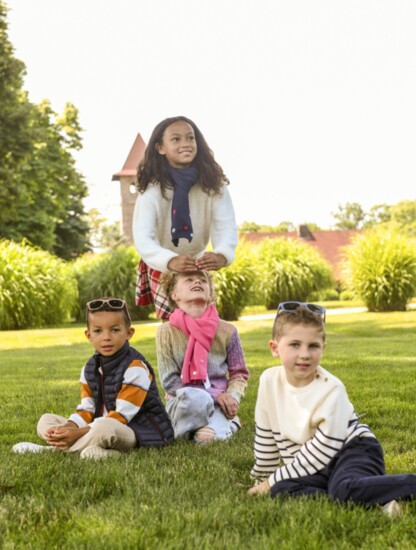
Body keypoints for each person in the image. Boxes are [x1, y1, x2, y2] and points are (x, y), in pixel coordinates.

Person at [248, 301, 416, 517]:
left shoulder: (332, 389)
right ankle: (373, 496)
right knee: (281, 489)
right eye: (295, 345)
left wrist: (271, 481)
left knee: (342, 488)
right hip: (316, 466)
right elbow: (266, 435)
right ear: (274, 348)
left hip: (353, 450)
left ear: (322, 348)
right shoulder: (268, 381)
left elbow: (323, 450)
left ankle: (402, 485)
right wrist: (262, 478)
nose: (305, 354)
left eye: (313, 346)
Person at [12, 298, 174, 459]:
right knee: (47, 420)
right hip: (100, 424)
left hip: (139, 430)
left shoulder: (136, 367)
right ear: (88, 335)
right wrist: (68, 427)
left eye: (115, 330)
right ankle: (100, 451)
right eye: (98, 331)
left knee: (106, 427)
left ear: (129, 333)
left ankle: (52, 449)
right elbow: (87, 410)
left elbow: (121, 417)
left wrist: (77, 433)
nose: (106, 337)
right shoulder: (90, 368)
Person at [133, 115, 238, 320]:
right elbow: (143, 237)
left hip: (197, 261)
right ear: (160, 148)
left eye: (190, 138)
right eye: (176, 139)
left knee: (203, 320)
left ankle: (204, 353)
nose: (185, 144)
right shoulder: (152, 189)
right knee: (173, 325)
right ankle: (173, 353)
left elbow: (225, 225)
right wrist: (170, 261)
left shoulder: (213, 184)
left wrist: (222, 254)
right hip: (161, 263)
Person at [156, 270, 249, 443]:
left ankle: (218, 426)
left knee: (207, 439)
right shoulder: (165, 331)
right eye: (189, 279)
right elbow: (169, 381)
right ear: (175, 294)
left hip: (218, 405)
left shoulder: (228, 330)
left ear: (210, 293)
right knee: (197, 399)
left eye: (202, 280)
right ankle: (218, 426)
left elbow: (239, 373)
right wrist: (213, 395)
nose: (197, 282)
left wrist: (231, 397)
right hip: (184, 402)